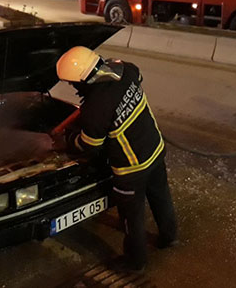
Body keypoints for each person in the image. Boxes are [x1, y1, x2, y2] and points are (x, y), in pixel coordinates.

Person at [55, 46, 178, 273]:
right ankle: (170, 237)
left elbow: (90, 147)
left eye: (72, 83)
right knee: (161, 197)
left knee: (133, 218)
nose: (72, 87)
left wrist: (69, 139)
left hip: (132, 170)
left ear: (82, 80)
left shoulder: (95, 109)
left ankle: (135, 262)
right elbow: (129, 79)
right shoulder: (127, 71)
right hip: (155, 149)